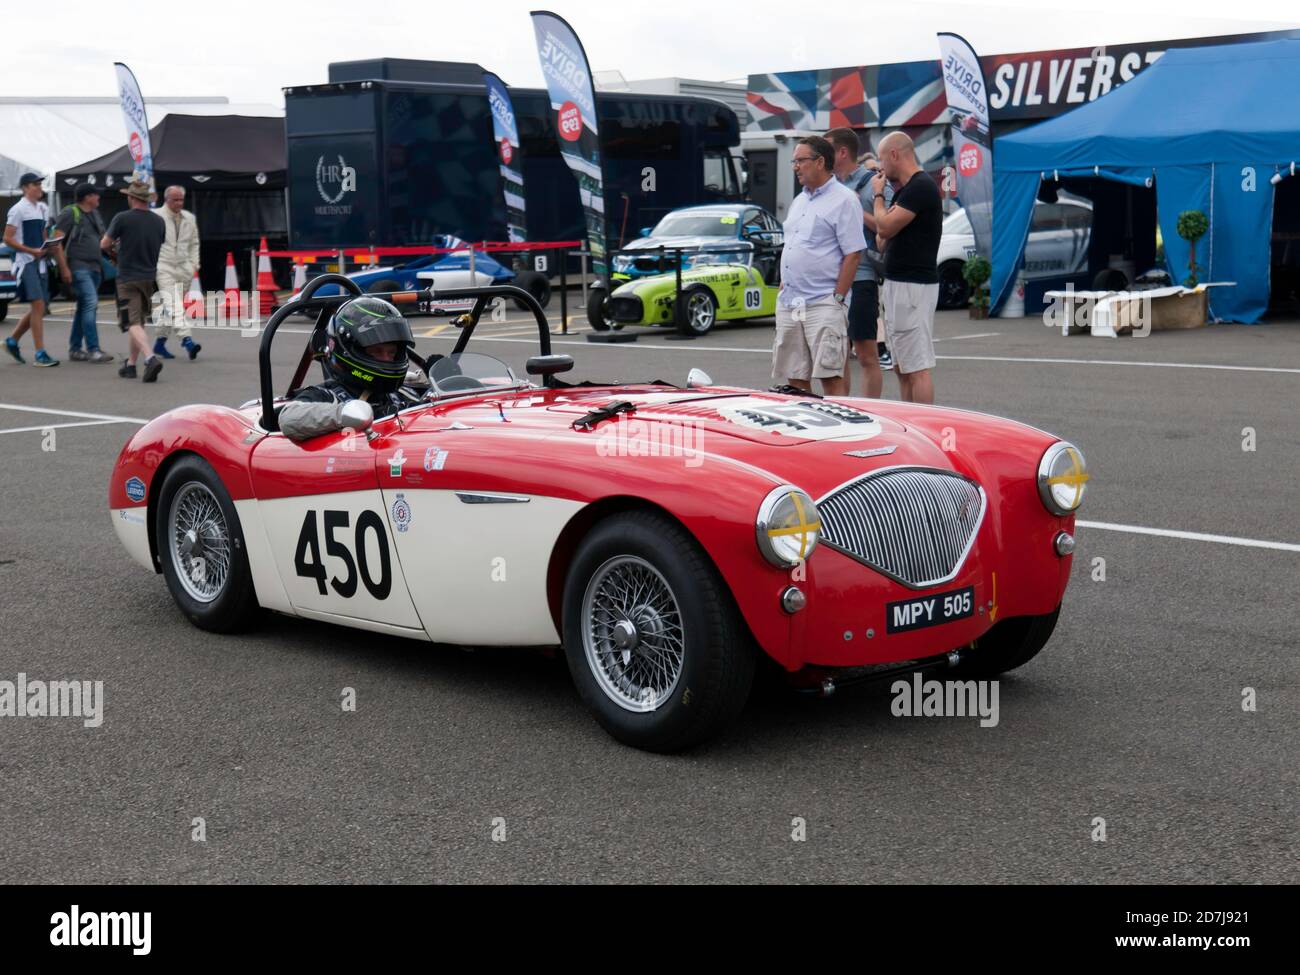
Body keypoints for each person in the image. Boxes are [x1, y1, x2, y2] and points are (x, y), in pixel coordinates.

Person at [772, 136, 865, 397]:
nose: (795, 166)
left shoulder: (844, 200)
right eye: (794, 161)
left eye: (801, 160)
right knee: (795, 379)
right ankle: (806, 434)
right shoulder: (799, 200)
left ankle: (839, 433)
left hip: (822, 302)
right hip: (791, 302)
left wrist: (837, 298)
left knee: (830, 377)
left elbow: (853, 253)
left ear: (821, 162)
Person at [279, 296, 416, 442]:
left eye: (392, 352)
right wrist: (347, 413)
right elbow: (289, 418)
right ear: (349, 351)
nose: (387, 359)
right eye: (376, 351)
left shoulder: (400, 393)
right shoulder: (327, 396)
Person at [872, 132, 943, 404]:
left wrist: (878, 197)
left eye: (881, 159)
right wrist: (884, 221)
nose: (880, 167)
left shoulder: (921, 186)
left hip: (913, 286)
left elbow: (885, 227)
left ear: (894, 155)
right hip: (897, 283)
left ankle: (923, 425)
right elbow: (881, 240)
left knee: (917, 366)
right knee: (902, 366)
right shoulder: (904, 192)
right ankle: (908, 420)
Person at [825, 128, 893, 398]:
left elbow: (886, 226)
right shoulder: (829, 186)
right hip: (832, 280)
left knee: (866, 354)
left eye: (827, 149)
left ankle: (870, 415)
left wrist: (857, 208)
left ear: (842, 152)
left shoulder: (871, 183)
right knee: (836, 356)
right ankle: (841, 414)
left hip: (862, 277)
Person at [101, 181, 166, 382]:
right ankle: (130, 364)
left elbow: (104, 244)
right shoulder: (158, 221)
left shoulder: (122, 218)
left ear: (131, 197)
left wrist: (115, 251)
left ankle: (150, 358)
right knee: (139, 322)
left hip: (127, 277)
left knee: (131, 322)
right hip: (148, 276)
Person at [3, 173, 61, 367]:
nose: (39, 187)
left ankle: (12, 341)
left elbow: (44, 234)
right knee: (38, 305)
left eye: (39, 184)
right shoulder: (18, 209)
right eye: (36, 184)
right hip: (25, 262)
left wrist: (49, 247)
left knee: (41, 307)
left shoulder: (43, 208)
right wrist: (31, 251)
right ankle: (40, 353)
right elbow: (8, 238)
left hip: (40, 261)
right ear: (26, 187)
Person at [54, 183, 112, 363]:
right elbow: (55, 242)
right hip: (79, 267)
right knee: (90, 303)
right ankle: (93, 350)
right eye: (96, 195)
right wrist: (64, 268)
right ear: (87, 197)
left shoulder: (95, 214)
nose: (99, 198)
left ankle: (75, 349)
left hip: (95, 267)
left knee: (83, 307)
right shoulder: (70, 213)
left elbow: (104, 239)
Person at [153, 185, 201, 360]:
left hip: (184, 268)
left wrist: (194, 264)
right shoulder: (156, 216)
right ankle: (187, 340)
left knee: (170, 308)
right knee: (174, 305)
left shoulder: (189, 218)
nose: (179, 203)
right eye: (175, 200)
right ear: (166, 199)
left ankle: (159, 343)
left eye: (181, 199)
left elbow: (194, 242)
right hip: (163, 266)